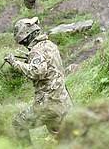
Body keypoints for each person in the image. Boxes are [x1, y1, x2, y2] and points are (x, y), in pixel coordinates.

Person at [4, 17, 72, 145]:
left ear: (28, 36)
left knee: (19, 123)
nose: (24, 44)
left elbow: (37, 72)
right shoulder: (50, 45)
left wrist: (14, 63)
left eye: (24, 42)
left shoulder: (36, 52)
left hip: (48, 105)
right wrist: (29, 60)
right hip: (63, 101)